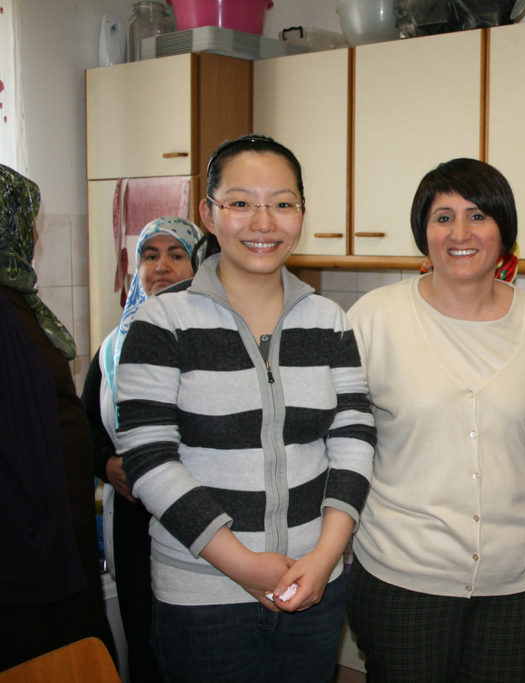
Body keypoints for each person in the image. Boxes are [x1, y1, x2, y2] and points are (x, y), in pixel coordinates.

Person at [114, 135, 375, 683]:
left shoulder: (327, 320)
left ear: (301, 212)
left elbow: (353, 437)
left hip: (314, 583)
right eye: (240, 203)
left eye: (282, 203)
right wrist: (244, 565)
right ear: (209, 214)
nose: (264, 222)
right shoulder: (163, 322)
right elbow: (148, 458)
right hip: (202, 596)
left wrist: (325, 557)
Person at [345, 158, 525, 683]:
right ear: (423, 232)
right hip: (402, 575)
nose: (460, 233)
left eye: (477, 215)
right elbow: (339, 441)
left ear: (503, 231)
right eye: (443, 217)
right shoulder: (374, 318)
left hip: (515, 582)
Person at [0, 164, 116, 670]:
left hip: (54, 530)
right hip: (30, 546)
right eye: (27, 223)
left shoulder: (18, 300)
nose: (34, 235)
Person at [82, 215, 201, 683]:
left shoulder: (213, 340)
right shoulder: (112, 348)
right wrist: (107, 464)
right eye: (150, 256)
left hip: (196, 519)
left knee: (194, 645)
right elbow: (86, 425)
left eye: (176, 255)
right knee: (144, 640)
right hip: (134, 521)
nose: (161, 266)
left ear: (199, 265)